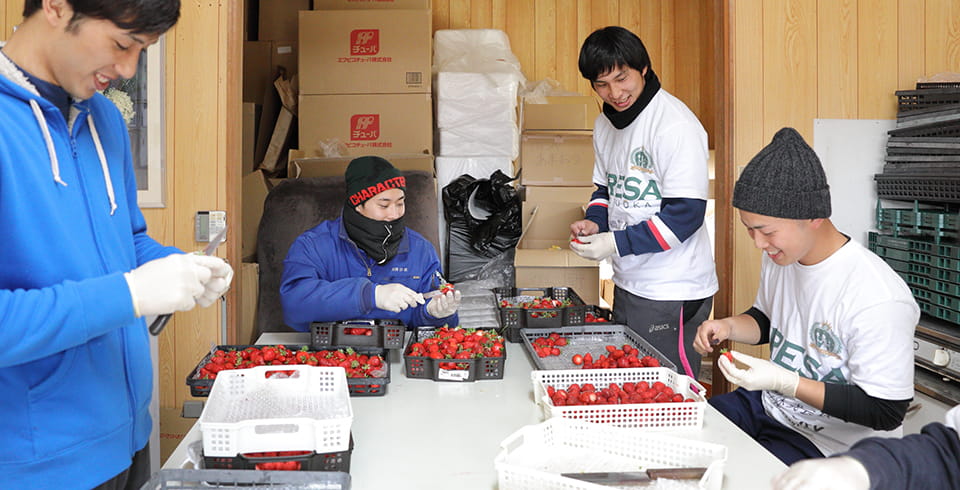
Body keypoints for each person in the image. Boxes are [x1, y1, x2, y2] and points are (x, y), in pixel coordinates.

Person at [0, 0, 234, 488]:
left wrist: (180, 266)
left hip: (127, 441)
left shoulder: (103, 119)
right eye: (121, 44)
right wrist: (130, 295)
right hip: (34, 465)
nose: (127, 70)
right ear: (57, 8)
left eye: (142, 51)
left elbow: (127, 242)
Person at [693, 127, 919, 465]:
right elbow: (769, 320)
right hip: (770, 406)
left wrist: (786, 381)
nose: (758, 243)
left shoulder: (877, 296)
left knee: (739, 474)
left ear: (813, 216)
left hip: (832, 445)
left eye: (766, 231)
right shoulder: (782, 256)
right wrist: (728, 326)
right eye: (749, 229)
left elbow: (885, 410)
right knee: (688, 430)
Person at [568, 26, 718, 377]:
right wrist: (595, 223)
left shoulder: (673, 125)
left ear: (644, 69)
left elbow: (686, 215)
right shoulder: (605, 125)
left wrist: (615, 242)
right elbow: (605, 190)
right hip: (630, 280)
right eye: (602, 85)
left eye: (622, 79)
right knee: (634, 381)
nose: (615, 93)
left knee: (668, 388)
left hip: (673, 287)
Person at [280, 155, 460, 330]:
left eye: (400, 203)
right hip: (330, 355)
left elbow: (429, 313)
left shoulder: (420, 250)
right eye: (384, 205)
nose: (394, 214)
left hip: (396, 354)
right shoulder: (312, 246)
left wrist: (435, 314)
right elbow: (294, 304)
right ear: (357, 204)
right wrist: (368, 295)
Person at [773, 405, 960, 489]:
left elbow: (886, 411)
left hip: (822, 438)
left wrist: (790, 383)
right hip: (778, 412)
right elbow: (945, 454)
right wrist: (864, 467)